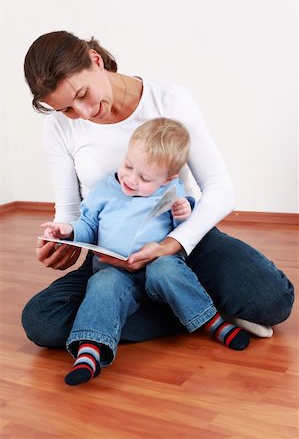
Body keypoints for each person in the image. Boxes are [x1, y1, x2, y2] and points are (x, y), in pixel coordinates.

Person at [22, 30, 294, 355]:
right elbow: (69, 211)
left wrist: (170, 244)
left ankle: (119, 315)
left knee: (272, 301)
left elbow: (219, 189)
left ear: (95, 61)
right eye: (66, 108)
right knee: (42, 321)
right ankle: (202, 312)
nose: (82, 113)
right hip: (112, 257)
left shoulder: (167, 99)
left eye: (83, 94)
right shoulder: (58, 127)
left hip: (180, 241)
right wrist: (62, 239)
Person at [41, 118, 250, 385]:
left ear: (168, 178)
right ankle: (89, 350)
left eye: (145, 178)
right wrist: (68, 231)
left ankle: (212, 321)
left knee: (167, 269)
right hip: (116, 272)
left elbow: (183, 229)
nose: (131, 179)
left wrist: (183, 212)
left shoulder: (172, 191)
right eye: (128, 166)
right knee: (102, 284)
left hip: (156, 268)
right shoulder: (105, 188)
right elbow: (88, 225)